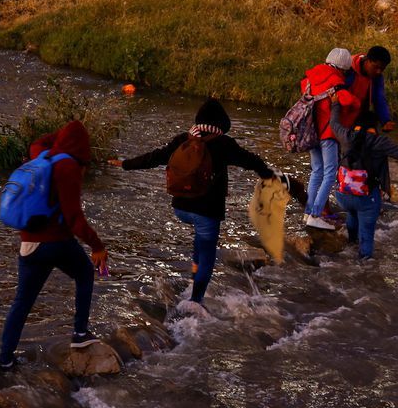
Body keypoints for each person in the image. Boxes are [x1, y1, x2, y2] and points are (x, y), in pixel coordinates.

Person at [111, 98, 277, 313]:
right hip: (207, 212)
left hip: (180, 208)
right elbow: (252, 161)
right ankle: (195, 300)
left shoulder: (183, 139)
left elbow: (155, 157)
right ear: (222, 124)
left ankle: (192, 279)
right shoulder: (224, 144)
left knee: (199, 243)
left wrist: (125, 164)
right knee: (206, 252)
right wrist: (269, 176)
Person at [0, 119, 107, 375]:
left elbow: (37, 141)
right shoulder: (67, 165)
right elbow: (74, 219)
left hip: (29, 244)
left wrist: (60, 136)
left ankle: (5, 361)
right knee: (84, 273)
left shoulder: (41, 156)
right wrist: (97, 246)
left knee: (21, 303)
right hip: (55, 242)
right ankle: (80, 333)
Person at [333, 126, 398, 260]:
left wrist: (336, 105)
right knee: (366, 232)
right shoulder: (379, 142)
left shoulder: (345, 135)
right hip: (366, 198)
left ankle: (351, 243)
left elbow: (334, 122)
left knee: (352, 213)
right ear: (373, 127)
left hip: (343, 195)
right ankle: (365, 265)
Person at [299, 48, 361, 231]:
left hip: (311, 133)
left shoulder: (309, 78)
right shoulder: (335, 81)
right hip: (328, 134)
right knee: (330, 173)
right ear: (342, 68)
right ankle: (316, 214)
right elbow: (350, 102)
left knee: (316, 172)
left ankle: (307, 212)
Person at [345, 46, 394, 132]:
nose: (378, 71)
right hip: (342, 114)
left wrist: (386, 120)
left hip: (360, 114)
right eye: (376, 67)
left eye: (382, 69)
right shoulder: (348, 68)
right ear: (368, 60)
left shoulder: (377, 77)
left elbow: (379, 98)